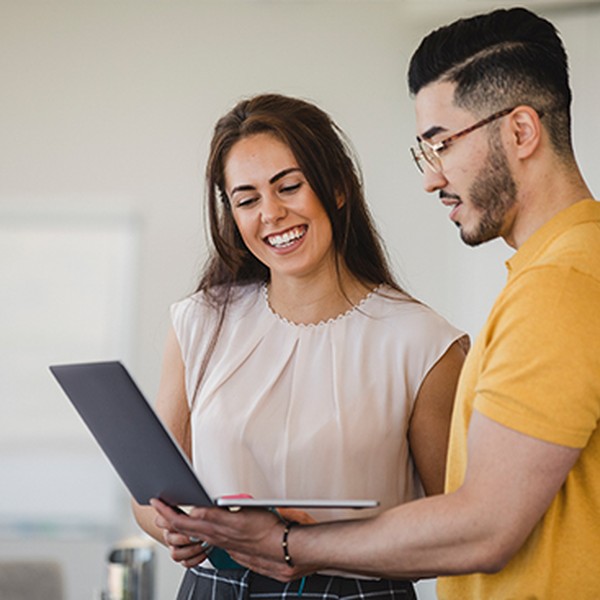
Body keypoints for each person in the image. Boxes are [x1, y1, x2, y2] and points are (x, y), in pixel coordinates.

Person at [151, 8, 600, 599]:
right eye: (246, 198)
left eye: (440, 144)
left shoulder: (560, 284)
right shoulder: (546, 276)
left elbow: (484, 525)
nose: (431, 178)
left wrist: (289, 546)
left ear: (520, 131)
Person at [135, 93, 467, 599]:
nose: (271, 214)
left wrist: (307, 545)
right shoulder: (199, 322)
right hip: (214, 586)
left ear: (336, 187)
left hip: (352, 592)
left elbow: (458, 527)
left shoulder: (422, 343)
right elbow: (148, 495)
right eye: (247, 200)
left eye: (289, 187)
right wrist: (172, 528)